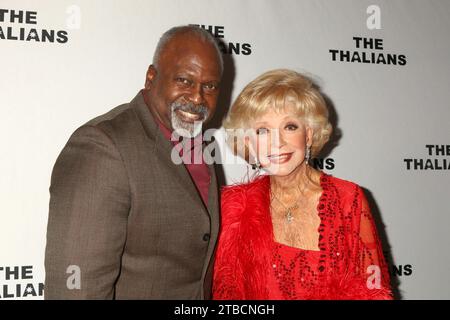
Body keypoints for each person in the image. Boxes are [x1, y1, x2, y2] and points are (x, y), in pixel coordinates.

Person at [44, 25, 223, 299]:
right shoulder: (102, 146)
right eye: (184, 81)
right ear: (151, 77)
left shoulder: (203, 143)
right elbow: (76, 290)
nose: (198, 97)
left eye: (209, 86)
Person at [212, 69, 393, 300]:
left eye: (290, 127)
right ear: (248, 142)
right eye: (263, 130)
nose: (277, 143)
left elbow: (374, 292)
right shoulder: (234, 208)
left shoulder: (348, 198)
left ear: (308, 134)